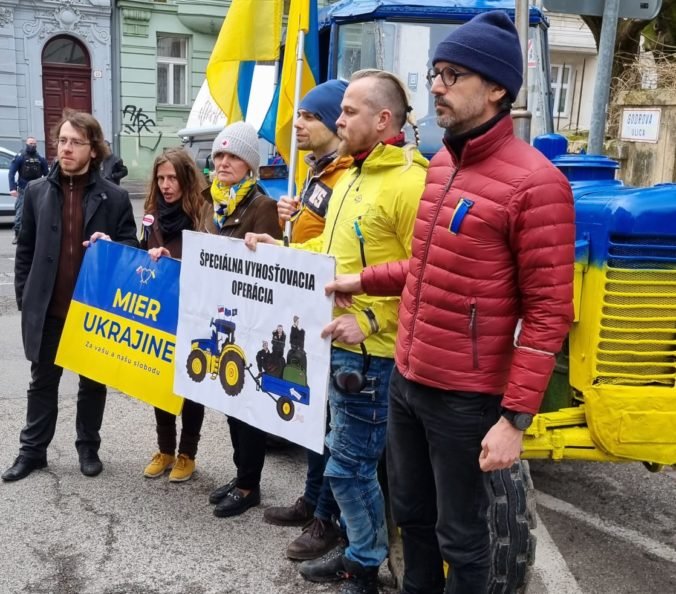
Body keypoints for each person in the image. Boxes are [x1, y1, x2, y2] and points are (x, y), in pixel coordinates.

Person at [325, 12, 575, 594]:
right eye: (436, 72)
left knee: (462, 537)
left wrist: (514, 419)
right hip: (407, 379)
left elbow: (548, 313)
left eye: (452, 75)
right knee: (412, 516)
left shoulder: (537, 184)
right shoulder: (441, 166)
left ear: (496, 89)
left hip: (465, 396)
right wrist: (360, 281)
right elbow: (425, 266)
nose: (436, 86)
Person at [246, 69, 428, 594]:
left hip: (374, 354)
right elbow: (333, 256)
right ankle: (358, 553)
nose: (339, 120)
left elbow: (427, 274)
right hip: (338, 344)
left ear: (383, 119)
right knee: (341, 458)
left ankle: (364, 566)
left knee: (349, 467)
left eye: (349, 111)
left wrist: (370, 320)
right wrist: (283, 250)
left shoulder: (412, 183)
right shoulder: (350, 176)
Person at [2, 110, 138, 482]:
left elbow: (131, 246)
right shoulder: (37, 192)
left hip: (93, 311)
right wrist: (25, 298)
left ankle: (88, 448)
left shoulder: (114, 197)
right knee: (42, 383)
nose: (66, 148)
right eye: (62, 140)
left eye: (75, 142)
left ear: (93, 149)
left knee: (92, 385)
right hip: (48, 309)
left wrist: (112, 245)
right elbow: (25, 249)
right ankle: (32, 452)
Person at [262, 79, 352, 562]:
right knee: (317, 421)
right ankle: (313, 501)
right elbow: (313, 236)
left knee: (336, 428)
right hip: (314, 314)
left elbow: (338, 249)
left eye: (310, 116)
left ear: (337, 121)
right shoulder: (320, 171)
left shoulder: (345, 176)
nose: (297, 124)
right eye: (299, 114)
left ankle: (328, 519)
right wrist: (289, 220)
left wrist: (295, 241)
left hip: (340, 318)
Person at [202, 121, 282, 518]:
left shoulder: (261, 206)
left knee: (248, 406)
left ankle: (250, 484)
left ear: (249, 164)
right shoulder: (210, 203)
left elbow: (271, 269)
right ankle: (240, 475)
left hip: (250, 321)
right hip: (218, 314)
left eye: (233, 156)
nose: (223, 162)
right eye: (219, 154)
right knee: (229, 400)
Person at [139, 148, 206, 483]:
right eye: (161, 178)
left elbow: (213, 264)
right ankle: (165, 450)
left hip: (193, 312)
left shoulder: (202, 215)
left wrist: (177, 262)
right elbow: (139, 254)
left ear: (186, 179)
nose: (166, 185)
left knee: (191, 384)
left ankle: (187, 454)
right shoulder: (151, 215)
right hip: (161, 311)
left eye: (172, 178)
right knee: (160, 382)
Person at [8, 136, 49, 244]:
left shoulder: (40, 158)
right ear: (26, 144)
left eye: (34, 144)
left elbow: (47, 175)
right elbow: (11, 173)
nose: (33, 146)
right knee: (20, 214)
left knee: (39, 213)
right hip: (23, 190)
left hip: (37, 190)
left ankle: (36, 236)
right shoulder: (20, 157)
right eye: (31, 143)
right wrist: (12, 188)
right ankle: (17, 235)